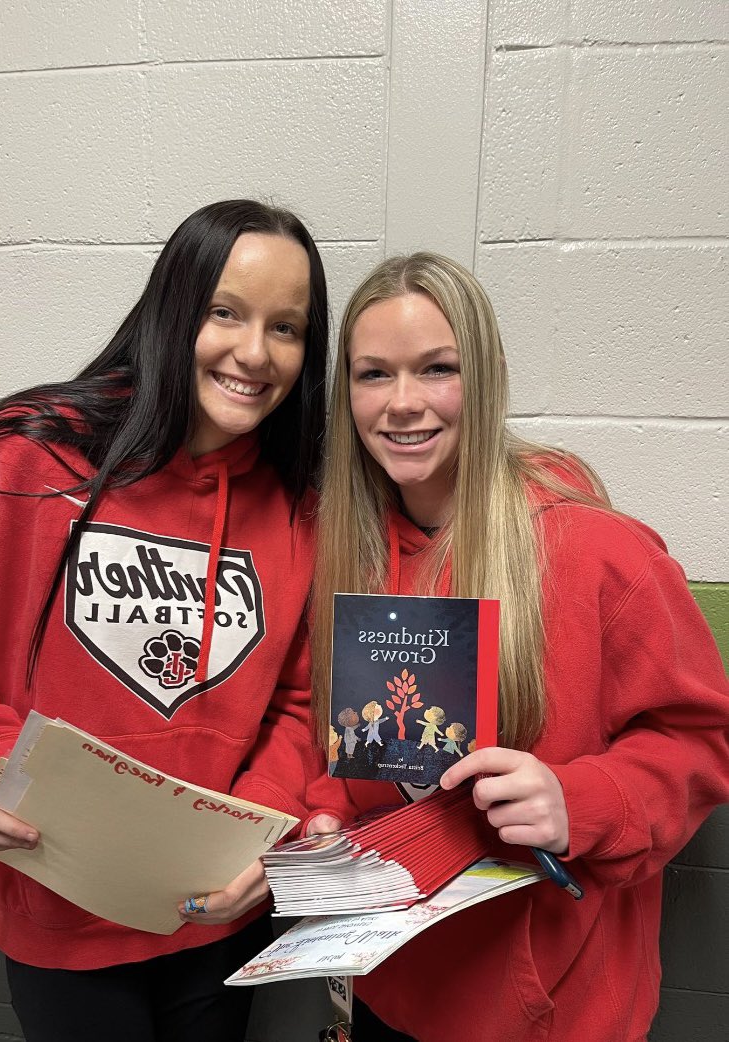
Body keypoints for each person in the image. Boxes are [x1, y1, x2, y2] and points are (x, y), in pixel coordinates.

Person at [0, 199, 336, 1042]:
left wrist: (261, 832)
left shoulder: (302, 509)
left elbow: (299, 702)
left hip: (217, 911)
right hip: (53, 905)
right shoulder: (22, 452)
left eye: (286, 328)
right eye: (226, 312)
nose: (255, 352)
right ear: (172, 309)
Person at [307, 252, 729, 1042]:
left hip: (550, 1009)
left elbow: (701, 742)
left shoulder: (602, 552)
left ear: (490, 376)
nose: (403, 404)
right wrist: (327, 815)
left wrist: (580, 801)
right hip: (390, 984)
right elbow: (333, 744)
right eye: (373, 375)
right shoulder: (346, 556)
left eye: (437, 369)